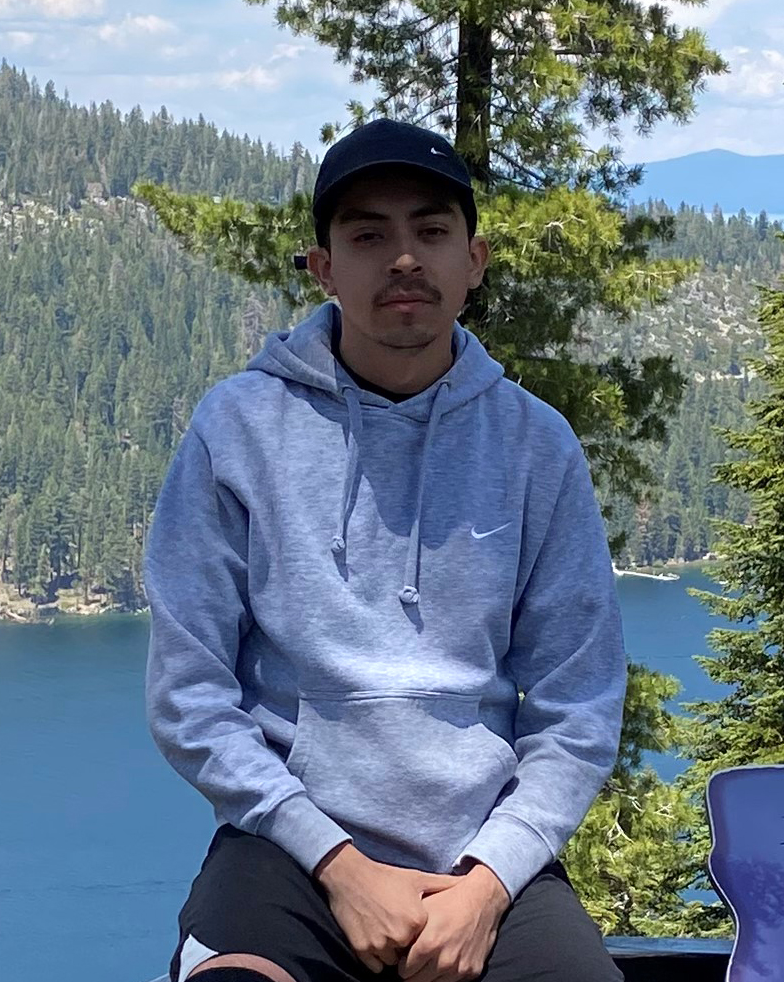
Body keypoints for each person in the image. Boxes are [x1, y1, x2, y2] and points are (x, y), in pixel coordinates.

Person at [144, 118, 627, 982]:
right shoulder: (239, 429)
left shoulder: (535, 445)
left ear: (474, 261)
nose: (403, 258)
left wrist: (487, 887)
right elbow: (191, 697)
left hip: (482, 855)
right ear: (323, 268)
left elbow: (578, 709)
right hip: (288, 849)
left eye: (431, 232)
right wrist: (339, 865)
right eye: (368, 236)